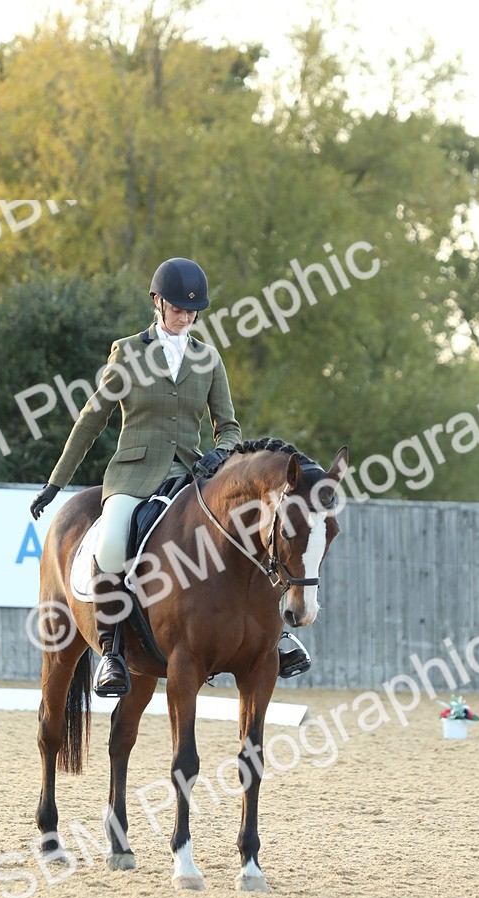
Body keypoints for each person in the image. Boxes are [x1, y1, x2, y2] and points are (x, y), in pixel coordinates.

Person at [31, 256, 310, 697]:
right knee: (112, 542)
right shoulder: (128, 352)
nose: (185, 318)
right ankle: (112, 649)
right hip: (134, 473)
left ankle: (274, 636)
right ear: (158, 302)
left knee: (248, 532)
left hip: (192, 473)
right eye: (177, 309)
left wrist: (219, 454)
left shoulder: (208, 358)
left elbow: (229, 426)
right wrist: (56, 482)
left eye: (192, 312)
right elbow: (92, 419)